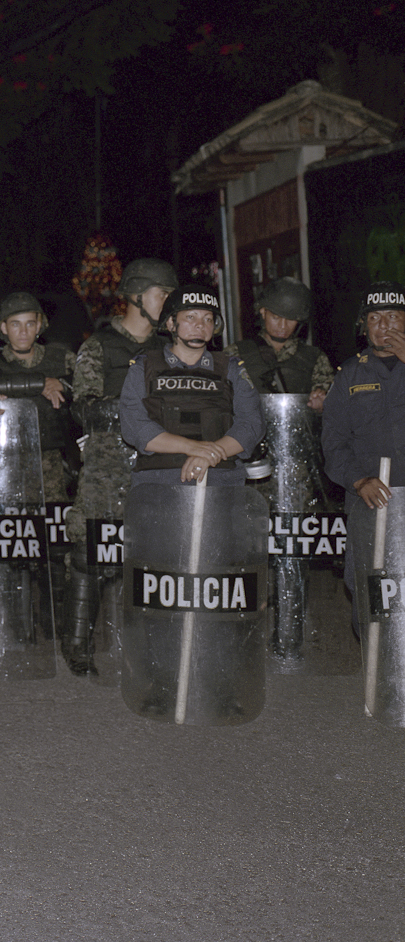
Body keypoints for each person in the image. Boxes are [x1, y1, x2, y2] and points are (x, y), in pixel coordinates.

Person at [63, 258, 175, 674]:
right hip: (107, 465)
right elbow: (83, 407)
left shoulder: (169, 348)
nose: (167, 302)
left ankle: (153, 646)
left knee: (156, 552)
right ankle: (78, 646)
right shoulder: (100, 346)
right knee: (92, 551)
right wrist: (133, 408)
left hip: (157, 464)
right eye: (160, 294)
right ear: (134, 296)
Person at [119, 285, 264, 487]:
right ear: (171, 323)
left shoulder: (230, 368)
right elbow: (134, 426)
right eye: (190, 317)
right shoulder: (143, 367)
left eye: (208, 319)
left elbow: (252, 424)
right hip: (157, 483)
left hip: (220, 480)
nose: (200, 325)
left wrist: (207, 455)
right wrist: (194, 448)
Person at [322, 282, 405, 621]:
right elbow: (333, 442)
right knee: (369, 588)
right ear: (363, 325)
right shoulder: (348, 375)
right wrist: (358, 480)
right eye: (375, 318)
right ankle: (377, 667)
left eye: (393, 316)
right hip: (371, 498)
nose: (384, 326)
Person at [0, 292, 75, 500]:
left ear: (39, 325)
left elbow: (93, 382)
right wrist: (39, 384)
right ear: (4, 328)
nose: (24, 332)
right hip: (7, 458)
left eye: (30, 324)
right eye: (15, 324)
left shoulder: (61, 358)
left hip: (55, 462)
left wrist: (62, 384)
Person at [228, 277, 333, 410]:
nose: (283, 326)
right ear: (263, 311)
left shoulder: (315, 359)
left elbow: (332, 404)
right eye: (276, 317)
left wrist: (322, 404)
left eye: (290, 319)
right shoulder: (236, 354)